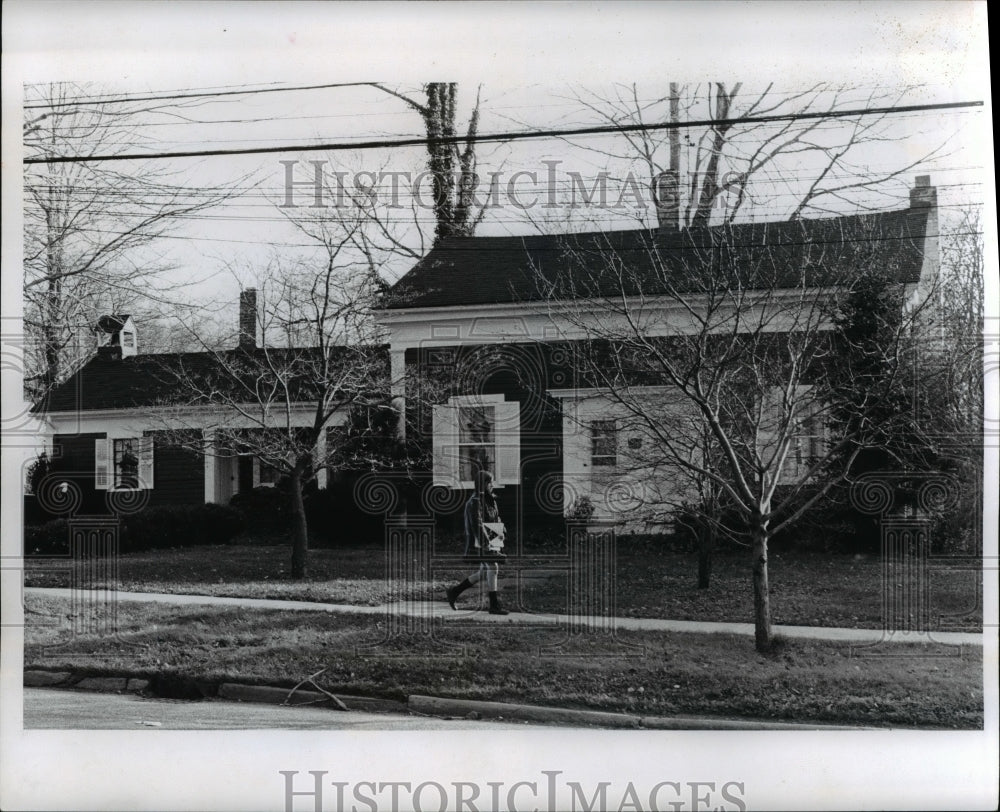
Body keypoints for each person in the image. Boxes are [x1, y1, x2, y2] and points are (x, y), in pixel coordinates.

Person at [445, 470, 509, 615]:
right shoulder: (475, 501)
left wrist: (501, 530)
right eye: (489, 482)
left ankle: (454, 592)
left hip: (491, 540)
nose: (492, 485)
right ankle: (494, 606)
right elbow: (477, 524)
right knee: (493, 568)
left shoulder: (490, 499)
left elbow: (496, 518)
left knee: (483, 572)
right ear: (483, 484)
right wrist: (486, 543)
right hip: (480, 542)